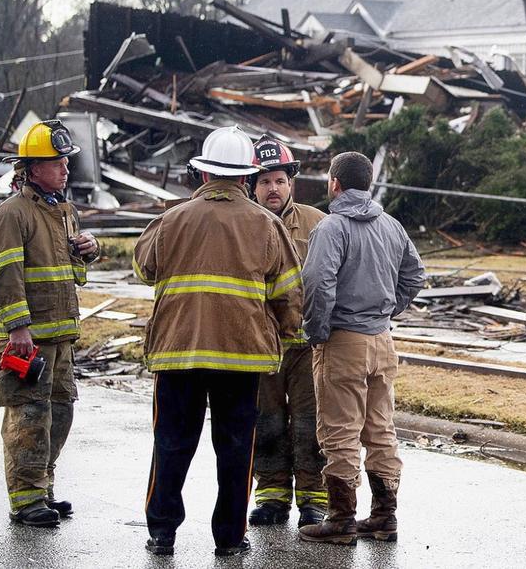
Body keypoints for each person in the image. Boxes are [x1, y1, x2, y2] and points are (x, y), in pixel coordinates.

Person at [132, 126, 303, 557]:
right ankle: (229, 538)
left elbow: (144, 268)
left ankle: (162, 533)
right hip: (240, 358)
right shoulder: (267, 224)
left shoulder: (172, 218)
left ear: (203, 175)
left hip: (177, 354)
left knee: (171, 443)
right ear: (247, 177)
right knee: (234, 450)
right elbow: (288, 290)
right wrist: (287, 332)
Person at [298, 151, 425, 546]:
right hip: (382, 341)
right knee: (381, 431)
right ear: (367, 184)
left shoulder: (331, 228)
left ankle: (341, 520)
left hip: (343, 339)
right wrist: (389, 309)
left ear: (334, 183)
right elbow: (414, 275)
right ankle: (385, 518)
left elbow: (318, 283)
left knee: (339, 432)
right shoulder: (391, 225)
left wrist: (317, 331)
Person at [0, 119, 98, 527]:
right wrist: (17, 330)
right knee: (28, 417)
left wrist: (88, 250)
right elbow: (4, 274)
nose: (65, 168)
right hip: (26, 340)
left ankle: (43, 488)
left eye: (66, 160)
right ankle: (25, 498)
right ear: (31, 168)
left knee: (60, 412)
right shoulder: (11, 214)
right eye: (56, 162)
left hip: (60, 335)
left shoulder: (63, 211)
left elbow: (71, 273)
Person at [246, 135, 329, 528]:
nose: (272, 189)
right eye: (264, 181)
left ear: (291, 182)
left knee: (311, 422)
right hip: (260, 347)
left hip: (307, 346)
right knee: (267, 422)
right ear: (251, 185)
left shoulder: (318, 223)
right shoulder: (242, 225)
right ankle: (271, 495)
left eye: (279, 180)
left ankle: (314, 498)